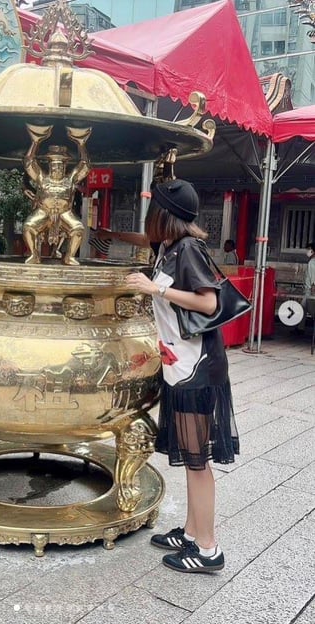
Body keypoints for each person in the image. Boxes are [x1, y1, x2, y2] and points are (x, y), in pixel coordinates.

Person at [115, 178, 239, 574]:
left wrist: (156, 289)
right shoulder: (167, 246)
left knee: (198, 461)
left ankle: (207, 549)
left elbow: (208, 301)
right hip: (180, 367)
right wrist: (106, 233)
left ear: (162, 215)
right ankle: (189, 532)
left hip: (197, 370)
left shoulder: (187, 249)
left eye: (151, 209)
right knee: (190, 458)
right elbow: (142, 239)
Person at [22, 123, 91, 265]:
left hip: (65, 213)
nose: (57, 168)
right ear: (49, 166)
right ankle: (34, 254)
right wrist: (35, 142)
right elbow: (29, 163)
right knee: (28, 226)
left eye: (60, 166)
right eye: (54, 165)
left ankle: (69, 256)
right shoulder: (42, 178)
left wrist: (81, 144)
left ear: (65, 167)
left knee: (78, 228)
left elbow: (85, 165)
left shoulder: (70, 179)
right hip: (44, 212)